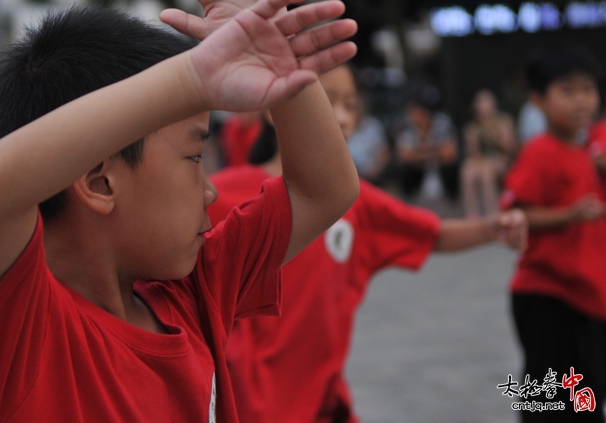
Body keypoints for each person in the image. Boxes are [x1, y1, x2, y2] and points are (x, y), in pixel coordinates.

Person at [0, 0, 360, 423]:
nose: (209, 191)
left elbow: (326, 190)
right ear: (98, 181)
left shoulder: (191, 294)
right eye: (194, 156)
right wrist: (190, 80)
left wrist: (280, 58)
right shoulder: (29, 332)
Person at [208, 63, 526, 423]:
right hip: (249, 401)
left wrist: (492, 229)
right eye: (327, 101)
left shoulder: (357, 201)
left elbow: (429, 233)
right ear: (272, 108)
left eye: (351, 104)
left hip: (323, 401)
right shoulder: (221, 195)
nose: (342, 117)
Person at [500, 46, 606, 422]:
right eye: (568, 90)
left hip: (589, 297)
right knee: (548, 402)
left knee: (586, 400)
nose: (581, 100)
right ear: (538, 101)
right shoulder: (541, 152)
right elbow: (514, 214)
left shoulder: (590, 153)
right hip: (548, 294)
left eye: (588, 89)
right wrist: (568, 214)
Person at [396, 86, 459, 199]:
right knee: (405, 170)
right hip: (418, 171)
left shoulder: (442, 123)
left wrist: (420, 152)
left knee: (451, 168)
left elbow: (450, 154)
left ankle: (453, 201)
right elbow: (404, 155)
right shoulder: (406, 125)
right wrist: (434, 152)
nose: (413, 115)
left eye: (417, 112)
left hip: (441, 170)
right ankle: (408, 202)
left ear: (426, 113)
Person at [461, 89, 516, 218]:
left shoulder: (503, 121)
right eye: (480, 102)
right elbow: (473, 153)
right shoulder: (473, 127)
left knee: (486, 172)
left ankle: (491, 215)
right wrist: (473, 138)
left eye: (486, 101)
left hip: (501, 160)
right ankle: (472, 215)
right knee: (467, 171)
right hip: (481, 161)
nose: (484, 105)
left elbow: (509, 148)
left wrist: (496, 135)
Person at [346, 92, 389, 183]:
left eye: (359, 108)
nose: (357, 111)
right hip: (348, 177)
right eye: (353, 108)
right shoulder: (344, 126)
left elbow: (384, 153)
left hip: (372, 175)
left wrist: (375, 171)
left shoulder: (373, 126)